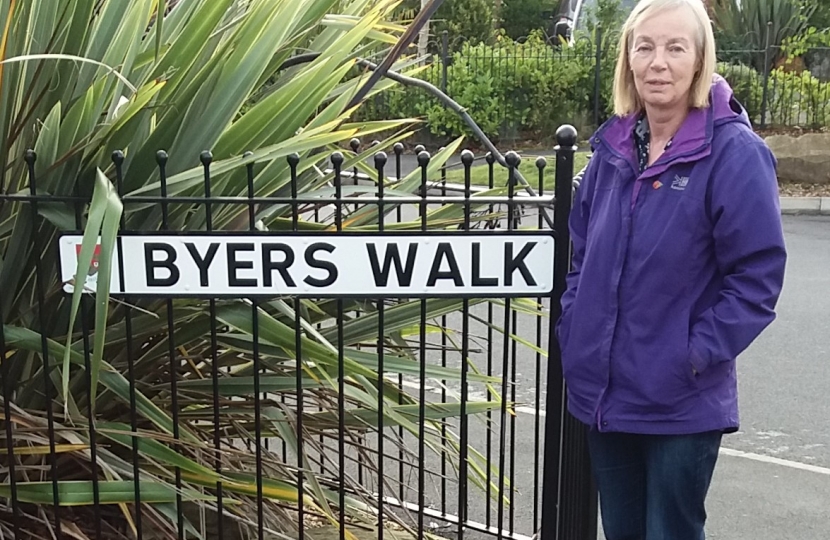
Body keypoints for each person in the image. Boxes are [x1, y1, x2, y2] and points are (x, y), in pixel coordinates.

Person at [555, 0, 788, 538]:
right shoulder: (612, 150)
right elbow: (582, 256)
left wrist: (693, 354)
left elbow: (756, 278)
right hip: (606, 396)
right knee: (623, 532)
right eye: (645, 47)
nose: (658, 62)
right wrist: (577, 329)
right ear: (628, 61)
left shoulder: (733, 153)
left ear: (700, 60)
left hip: (681, 401)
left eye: (675, 47)